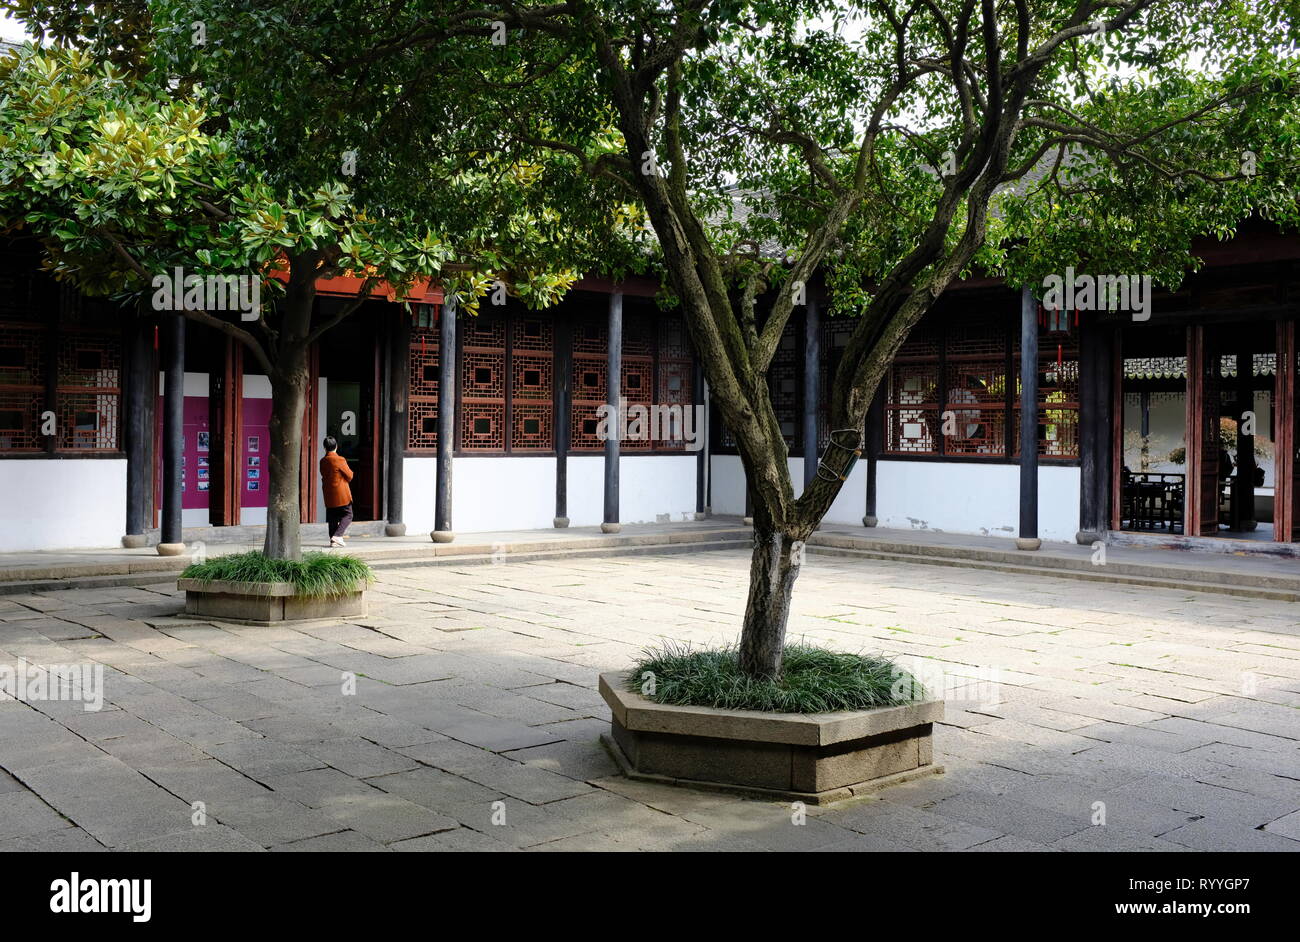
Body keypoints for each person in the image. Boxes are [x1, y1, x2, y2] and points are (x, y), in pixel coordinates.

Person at [320, 436, 354, 548]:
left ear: (324, 447)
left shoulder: (323, 461)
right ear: (336, 446)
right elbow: (349, 476)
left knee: (332, 517)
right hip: (340, 493)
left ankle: (333, 541)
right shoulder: (340, 459)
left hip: (328, 493)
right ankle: (338, 536)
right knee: (348, 514)